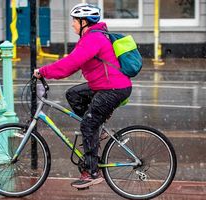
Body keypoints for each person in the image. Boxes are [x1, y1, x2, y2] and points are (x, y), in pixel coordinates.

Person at [33, 3, 132, 189]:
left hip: (113, 89)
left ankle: (92, 172)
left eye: (74, 21)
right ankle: (96, 127)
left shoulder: (93, 39)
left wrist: (43, 72)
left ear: (84, 22)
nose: (72, 25)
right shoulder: (92, 36)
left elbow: (70, 64)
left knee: (87, 124)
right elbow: (74, 62)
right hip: (106, 85)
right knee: (74, 94)